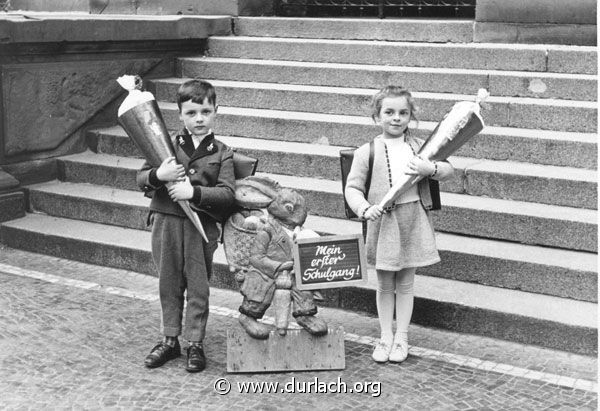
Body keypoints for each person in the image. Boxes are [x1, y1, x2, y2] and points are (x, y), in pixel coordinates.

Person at [345, 86, 454, 363]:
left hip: (413, 219)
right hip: (385, 222)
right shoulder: (366, 151)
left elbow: (447, 168)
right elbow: (353, 188)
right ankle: (385, 336)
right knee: (384, 283)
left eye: (403, 113)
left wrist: (431, 169)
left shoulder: (420, 146)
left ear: (411, 116)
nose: (396, 118)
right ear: (377, 115)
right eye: (389, 112)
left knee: (406, 282)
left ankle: (402, 336)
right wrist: (364, 208)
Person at [136, 79, 235, 372]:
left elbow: (228, 194)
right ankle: (169, 340)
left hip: (200, 229)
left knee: (197, 285)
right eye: (191, 113)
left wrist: (195, 193)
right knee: (168, 282)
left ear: (216, 110)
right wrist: (159, 173)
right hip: (165, 222)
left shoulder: (222, 152)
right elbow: (141, 179)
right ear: (179, 114)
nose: (199, 119)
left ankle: (195, 343)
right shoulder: (164, 145)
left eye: (205, 111)